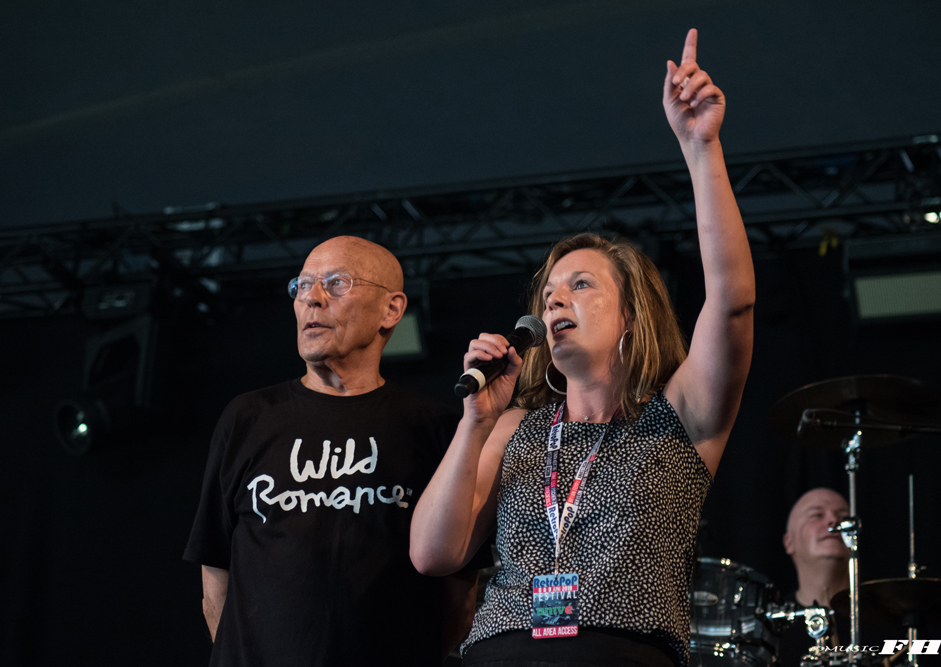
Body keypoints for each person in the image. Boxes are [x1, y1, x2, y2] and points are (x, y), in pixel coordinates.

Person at [410, 28, 755, 667]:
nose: (554, 300)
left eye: (581, 284)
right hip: (501, 654)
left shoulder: (679, 418)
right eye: (548, 292)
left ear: (631, 316)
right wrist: (474, 424)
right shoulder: (512, 427)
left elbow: (732, 301)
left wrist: (700, 147)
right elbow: (434, 553)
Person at [184, 236, 479, 666]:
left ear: (391, 309)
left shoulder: (436, 429)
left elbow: (459, 590)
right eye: (302, 285)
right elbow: (215, 570)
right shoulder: (247, 417)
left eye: (337, 283)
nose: (313, 298)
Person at [777, 488, 851, 665]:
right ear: (789, 542)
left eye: (844, 517)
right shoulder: (772, 629)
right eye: (816, 515)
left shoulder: (888, 619)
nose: (834, 521)